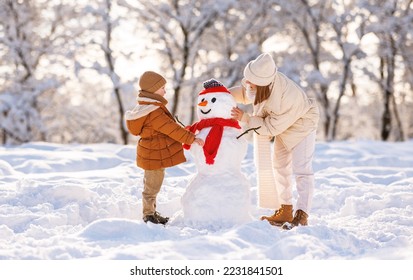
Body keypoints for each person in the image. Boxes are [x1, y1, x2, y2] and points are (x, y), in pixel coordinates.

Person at [230, 53, 319, 229]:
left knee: (302, 169)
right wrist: (222, 94)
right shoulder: (259, 82)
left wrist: (246, 118)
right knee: (279, 166)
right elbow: (245, 93)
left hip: (303, 126)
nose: (246, 83)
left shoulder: (285, 98)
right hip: (283, 126)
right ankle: (285, 209)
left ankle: (302, 214)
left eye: (250, 81)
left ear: (262, 83)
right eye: (247, 79)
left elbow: (271, 128)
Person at [125, 71, 204, 225]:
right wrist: (191, 138)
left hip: (152, 152)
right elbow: (171, 129)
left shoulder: (147, 108)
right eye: (162, 87)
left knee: (152, 185)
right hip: (153, 154)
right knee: (152, 187)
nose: (165, 91)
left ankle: (151, 212)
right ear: (153, 90)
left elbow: (169, 127)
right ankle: (148, 215)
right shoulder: (153, 112)